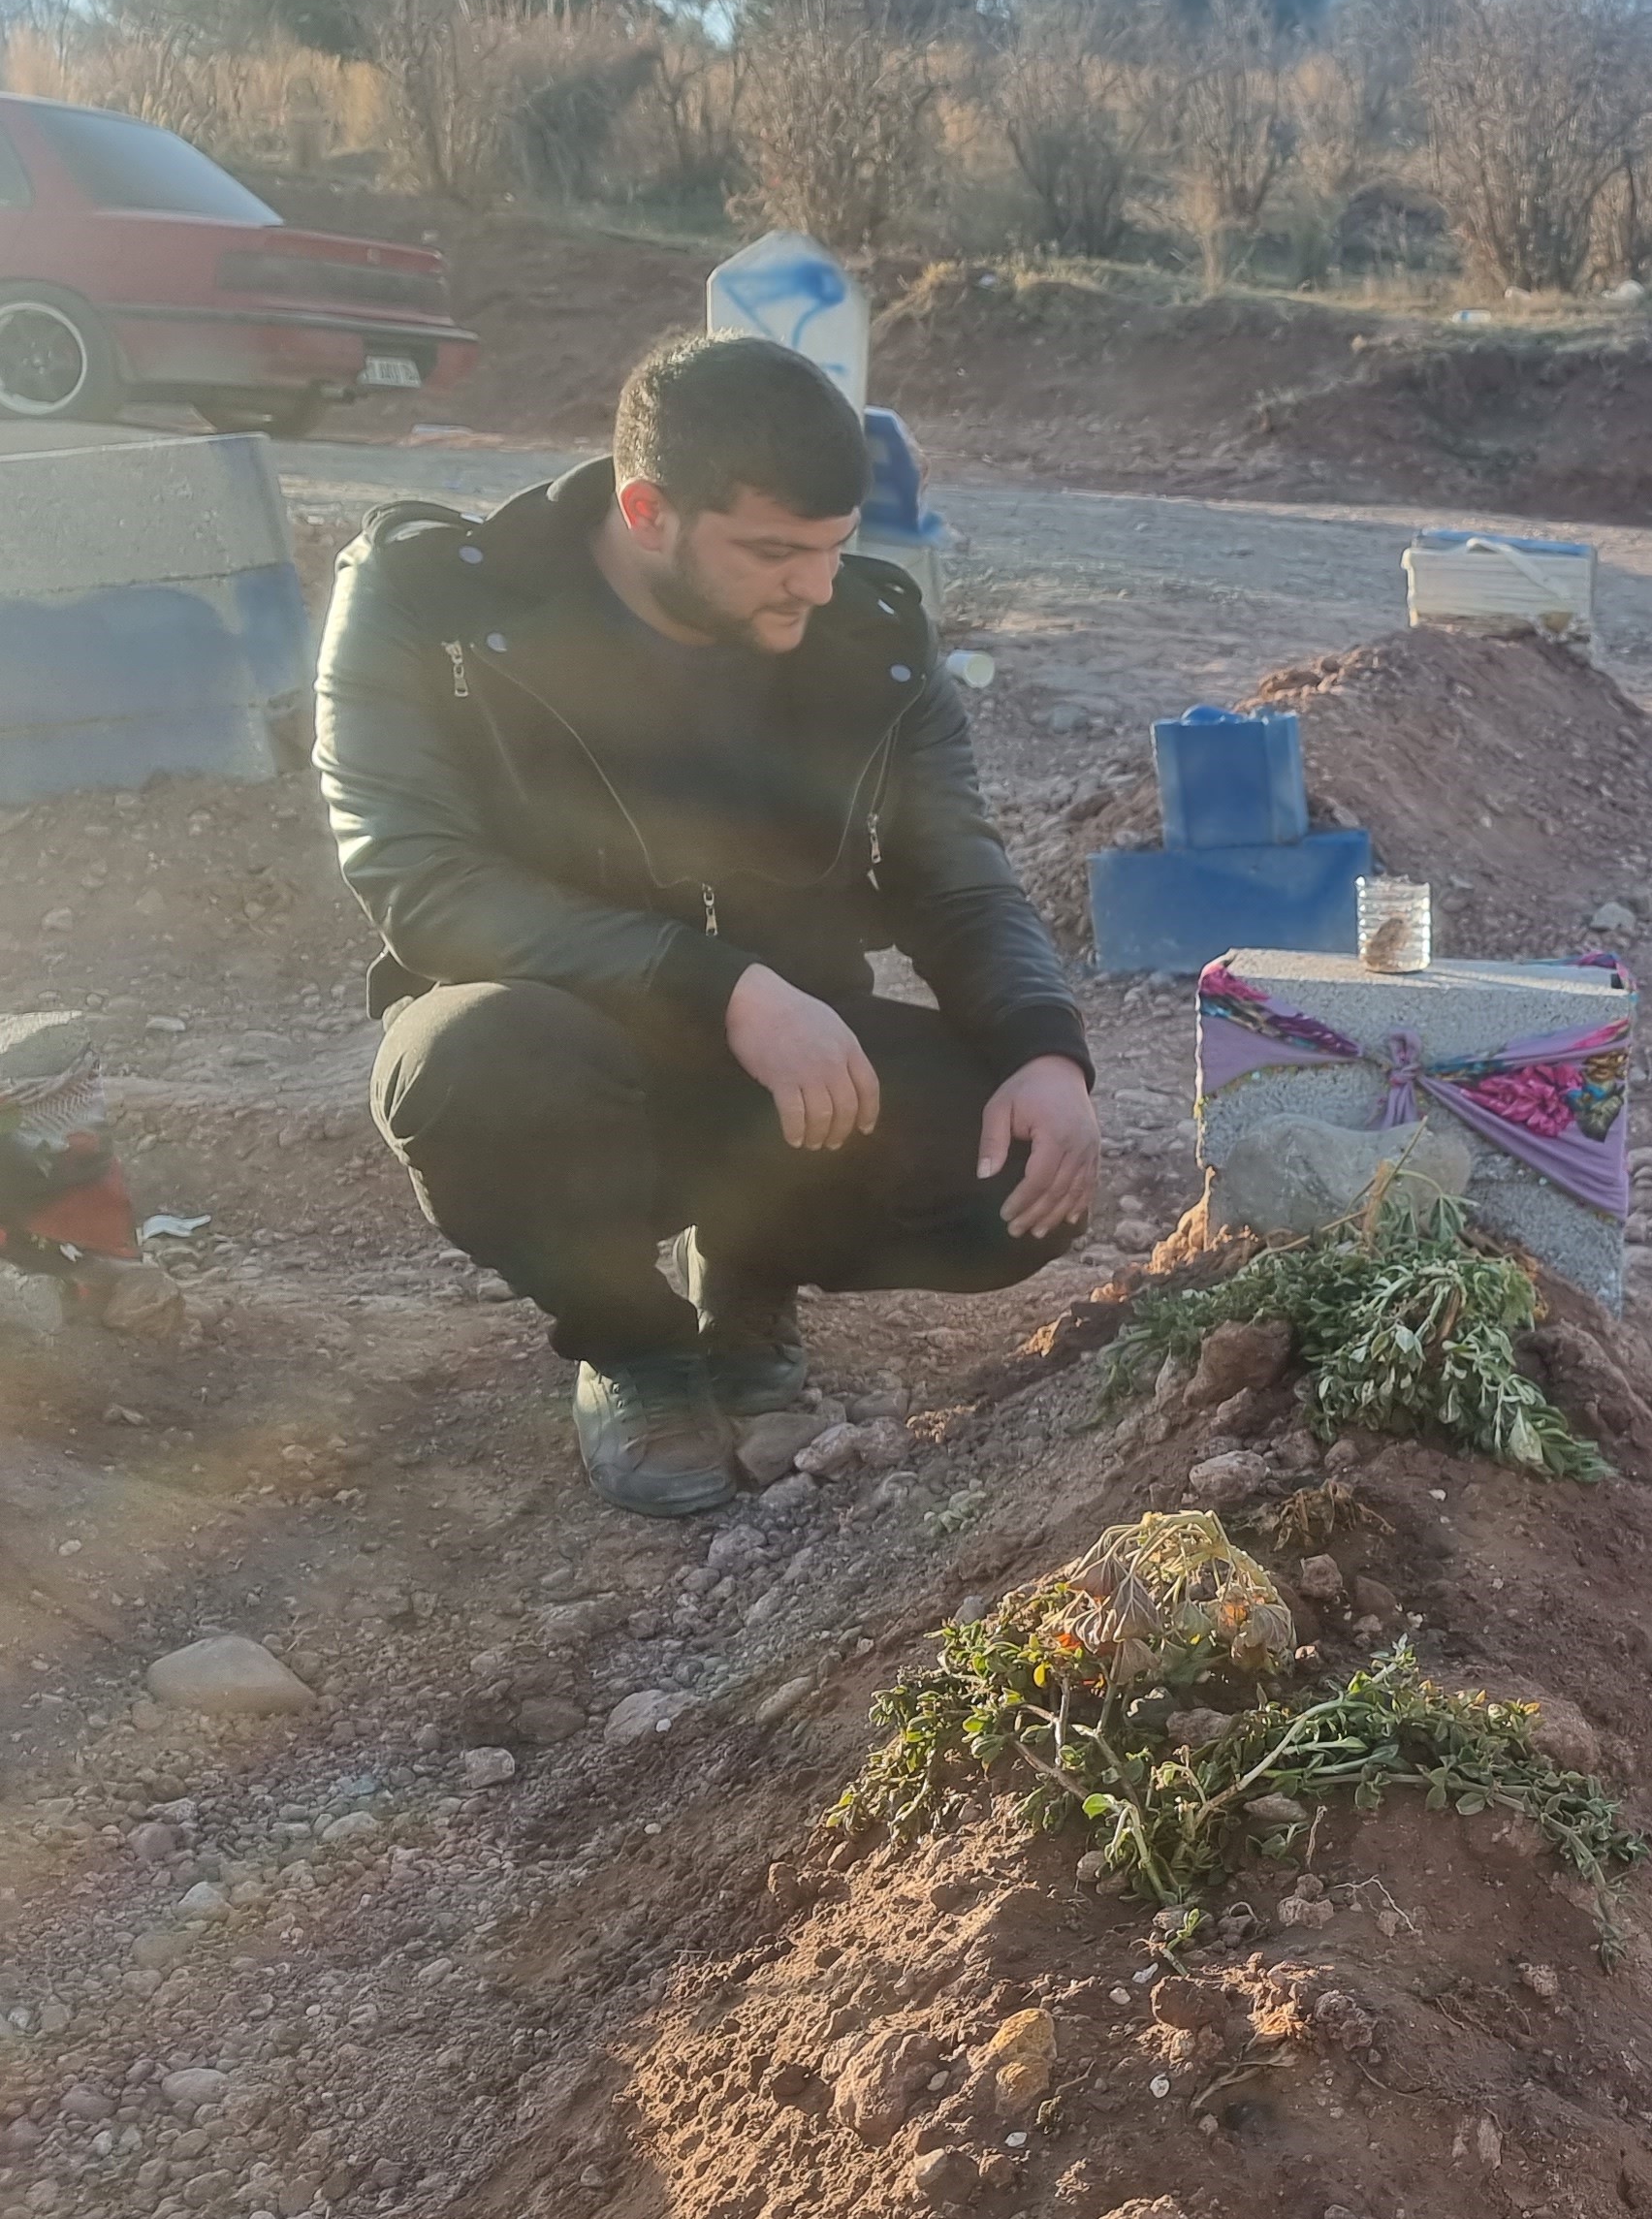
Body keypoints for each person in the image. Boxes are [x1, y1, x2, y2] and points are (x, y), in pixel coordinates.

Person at [314, 332, 1099, 1516]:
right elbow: (420, 880)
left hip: (790, 1063)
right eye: (774, 553)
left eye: (835, 549)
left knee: (1013, 1178)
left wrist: (1045, 1044)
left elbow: (958, 877)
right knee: (470, 1060)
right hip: (562, 1043)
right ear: (647, 511)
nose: (817, 587)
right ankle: (636, 1353)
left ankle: (749, 1274)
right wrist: (720, 986)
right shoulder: (434, 603)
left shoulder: (870, 637)